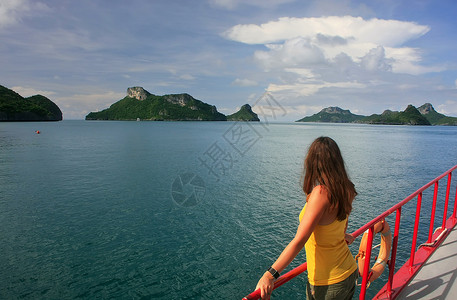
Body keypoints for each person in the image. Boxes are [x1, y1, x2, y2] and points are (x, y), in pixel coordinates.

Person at [254, 136, 358, 300]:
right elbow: (342, 220)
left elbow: (299, 240)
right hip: (349, 272)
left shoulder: (321, 193)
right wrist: (340, 236)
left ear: (313, 163)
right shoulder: (346, 188)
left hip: (328, 282)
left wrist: (270, 274)